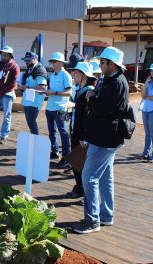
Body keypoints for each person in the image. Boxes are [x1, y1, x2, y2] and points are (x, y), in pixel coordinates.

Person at [72, 47, 129, 234]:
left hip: (104, 138)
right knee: (105, 177)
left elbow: (102, 110)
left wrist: (91, 98)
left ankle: (92, 220)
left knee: (89, 177)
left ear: (111, 64)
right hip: (106, 136)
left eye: (102, 62)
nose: (99, 65)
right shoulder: (111, 80)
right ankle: (105, 215)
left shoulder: (115, 83)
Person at [67, 61, 97, 199]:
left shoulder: (88, 92)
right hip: (76, 132)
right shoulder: (81, 90)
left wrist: (84, 136)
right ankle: (80, 188)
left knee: (81, 164)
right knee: (76, 163)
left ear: (84, 75)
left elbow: (87, 116)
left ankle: (85, 192)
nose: (74, 74)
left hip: (81, 135)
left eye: (76, 72)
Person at [45, 52, 72, 168]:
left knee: (63, 132)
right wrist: (47, 92)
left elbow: (69, 93)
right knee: (52, 131)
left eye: (54, 61)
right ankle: (55, 151)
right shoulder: (53, 75)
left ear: (61, 63)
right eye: (52, 61)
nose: (53, 63)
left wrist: (54, 92)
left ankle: (66, 157)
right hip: (50, 106)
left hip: (61, 108)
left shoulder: (65, 75)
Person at [18, 51, 48, 135]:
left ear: (34, 59)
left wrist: (26, 87)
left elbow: (42, 87)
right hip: (28, 100)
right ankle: (33, 141)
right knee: (30, 122)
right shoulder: (30, 69)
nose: (26, 62)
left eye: (28, 60)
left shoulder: (40, 69)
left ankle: (35, 141)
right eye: (25, 60)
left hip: (34, 102)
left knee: (31, 122)